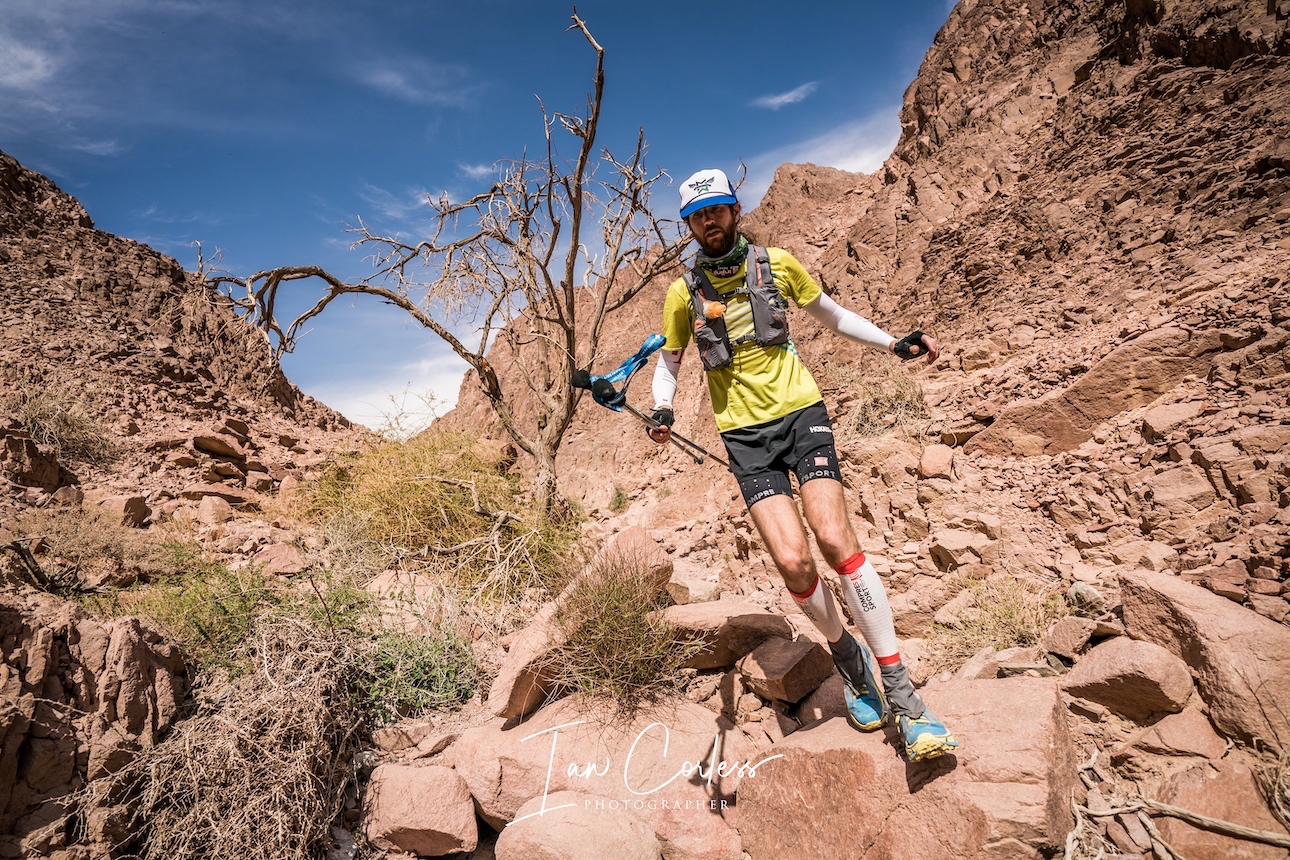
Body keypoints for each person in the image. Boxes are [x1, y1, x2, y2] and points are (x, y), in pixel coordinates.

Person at [647, 168, 958, 762]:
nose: (710, 222)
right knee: (793, 562)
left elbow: (832, 315)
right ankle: (849, 658)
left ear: (735, 211)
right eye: (698, 215)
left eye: (717, 210)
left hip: (801, 415)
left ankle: (903, 694)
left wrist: (893, 342)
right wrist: (663, 409)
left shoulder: (778, 264)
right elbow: (671, 361)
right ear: (689, 225)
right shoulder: (682, 294)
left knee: (836, 540)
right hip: (744, 436)